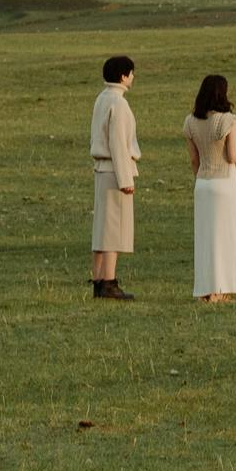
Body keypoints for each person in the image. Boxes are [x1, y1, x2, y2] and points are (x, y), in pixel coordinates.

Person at [182, 72, 236, 304]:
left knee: (205, 238)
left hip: (202, 183)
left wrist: (201, 178)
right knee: (224, 237)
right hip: (223, 183)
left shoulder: (190, 122)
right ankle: (220, 289)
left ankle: (205, 290)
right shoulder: (228, 120)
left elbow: (194, 160)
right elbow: (232, 156)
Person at [89, 54, 140, 300]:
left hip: (102, 170)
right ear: (123, 76)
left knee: (101, 229)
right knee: (113, 229)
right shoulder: (119, 104)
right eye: (131, 72)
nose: (133, 77)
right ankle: (109, 282)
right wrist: (126, 180)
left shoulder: (102, 98)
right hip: (114, 171)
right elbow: (118, 143)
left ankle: (98, 279)